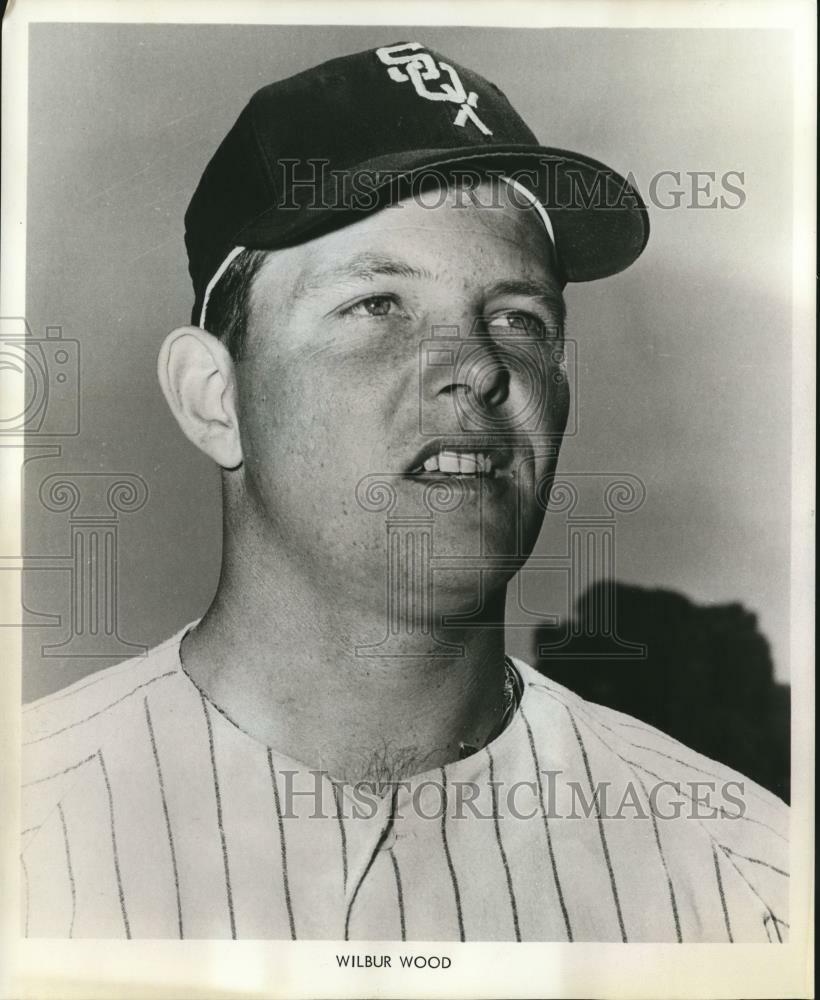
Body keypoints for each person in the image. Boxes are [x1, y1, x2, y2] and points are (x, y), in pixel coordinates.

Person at [21, 41, 788, 942]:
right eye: (377, 304)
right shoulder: (23, 828)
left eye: (519, 318)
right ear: (214, 397)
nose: (475, 366)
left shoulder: (752, 877)